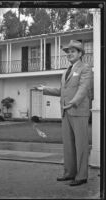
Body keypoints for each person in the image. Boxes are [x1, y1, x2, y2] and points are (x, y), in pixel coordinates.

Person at [35, 40, 93, 186]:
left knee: (81, 145)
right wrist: (45, 89)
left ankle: (81, 176)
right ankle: (69, 173)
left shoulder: (85, 68)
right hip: (66, 112)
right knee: (68, 145)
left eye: (73, 51)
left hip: (78, 111)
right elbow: (62, 91)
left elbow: (84, 88)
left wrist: (75, 101)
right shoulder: (65, 71)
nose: (69, 54)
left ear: (80, 53)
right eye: (68, 51)